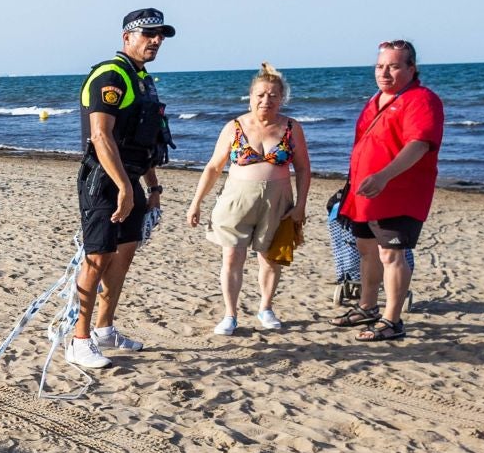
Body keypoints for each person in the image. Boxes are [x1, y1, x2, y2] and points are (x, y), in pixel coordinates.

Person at [67, 8, 175, 369]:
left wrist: (152, 186)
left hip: (130, 179)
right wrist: (123, 187)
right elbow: (101, 135)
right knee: (97, 258)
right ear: (127, 37)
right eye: (149, 34)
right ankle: (78, 340)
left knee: (123, 255)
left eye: (160, 35)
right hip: (104, 181)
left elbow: (141, 139)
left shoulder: (141, 79)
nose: (156, 40)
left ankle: (104, 328)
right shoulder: (110, 75)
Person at [333, 40, 443, 343]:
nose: (385, 72)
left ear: (411, 68)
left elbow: (418, 145)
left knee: (391, 253)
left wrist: (383, 176)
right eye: (380, 66)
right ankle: (367, 307)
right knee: (366, 250)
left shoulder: (421, 99)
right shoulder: (376, 99)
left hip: (399, 193)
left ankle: (393, 320)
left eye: (394, 66)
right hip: (364, 193)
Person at [186, 63, 310, 333]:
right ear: (251, 96)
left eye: (273, 95)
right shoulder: (234, 126)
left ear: (282, 98)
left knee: (270, 258)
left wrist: (300, 205)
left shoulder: (291, 127)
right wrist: (196, 203)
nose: (266, 100)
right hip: (236, 203)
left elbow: (302, 169)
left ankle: (265, 308)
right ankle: (230, 315)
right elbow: (213, 167)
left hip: (277, 203)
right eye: (260, 95)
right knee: (231, 256)